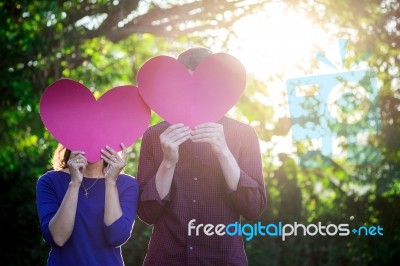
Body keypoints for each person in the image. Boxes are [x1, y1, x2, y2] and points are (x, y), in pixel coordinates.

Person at [137, 47, 267, 265]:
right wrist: (168, 162)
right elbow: (147, 213)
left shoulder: (243, 134)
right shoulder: (155, 135)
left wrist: (223, 152)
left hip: (223, 258)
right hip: (167, 258)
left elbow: (252, 207)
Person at [36, 143, 138, 266]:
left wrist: (110, 182)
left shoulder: (127, 184)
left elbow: (116, 237)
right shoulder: (49, 181)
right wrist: (74, 184)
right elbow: (58, 238)